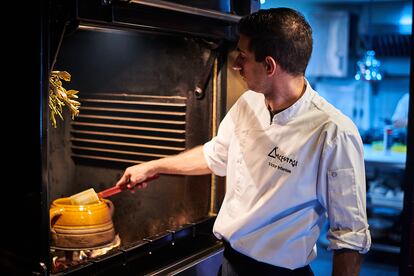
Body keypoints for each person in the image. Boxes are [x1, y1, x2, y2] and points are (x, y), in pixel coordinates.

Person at [115, 8, 371, 276]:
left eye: (244, 56)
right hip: (230, 264)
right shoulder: (248, 103)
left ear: (270, 66)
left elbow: (350, 237)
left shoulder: (333, 132)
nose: (236, 65)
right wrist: (153, 167)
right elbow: (215, 155)